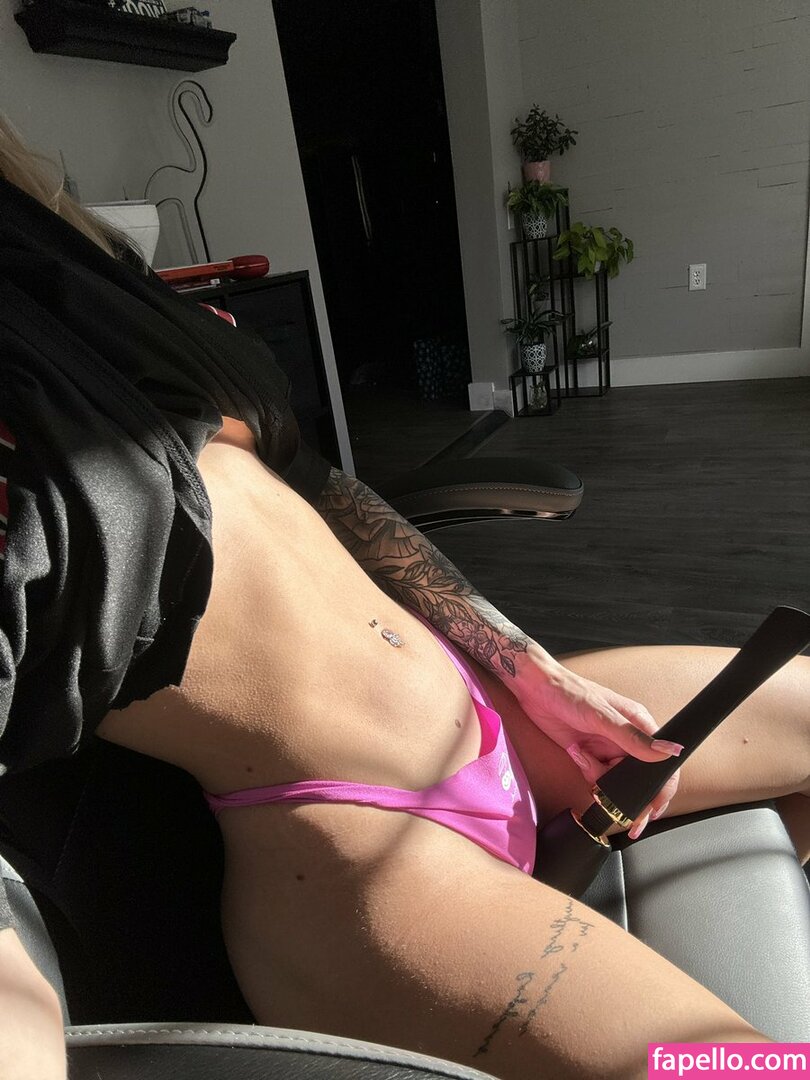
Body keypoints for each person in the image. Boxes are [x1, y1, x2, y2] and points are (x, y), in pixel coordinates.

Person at [0, 115, 807, 1080]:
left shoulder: (49, 240)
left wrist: (527, 668)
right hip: (370, 851)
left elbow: (317, 486)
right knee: (750, 1073)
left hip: (493, 714)